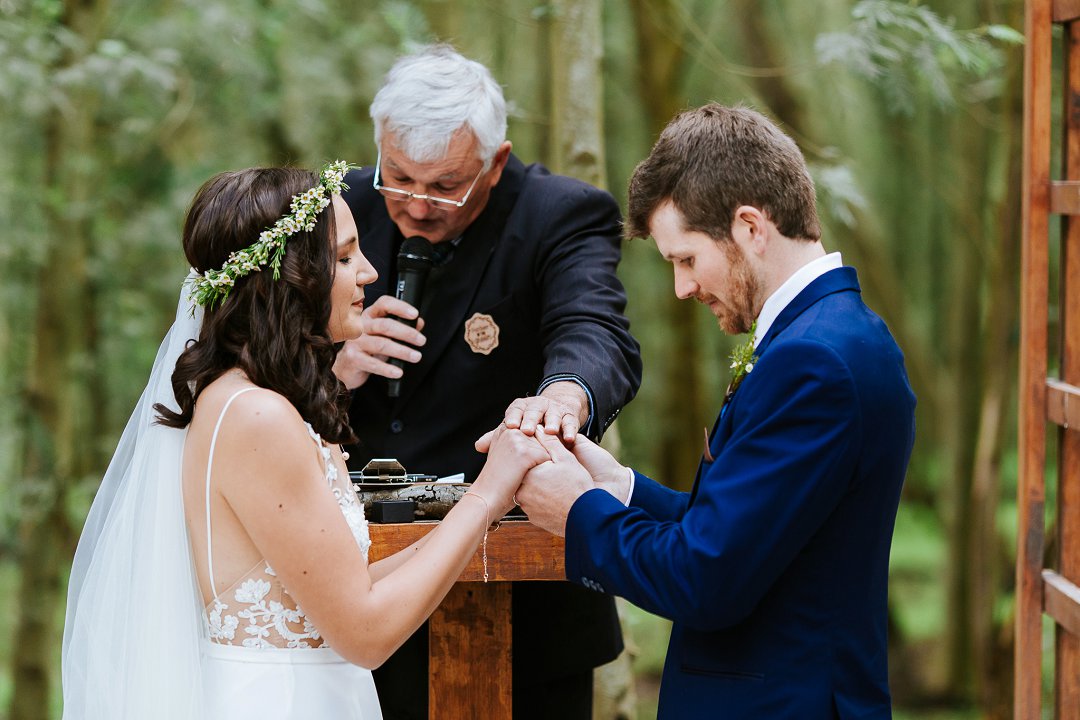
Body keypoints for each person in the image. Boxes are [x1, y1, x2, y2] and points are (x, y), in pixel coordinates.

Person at [61, 163, 549, 719]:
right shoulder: (257, 417)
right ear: (290, 278)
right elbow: (366, 633)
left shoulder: (254, 400)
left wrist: (488, 505)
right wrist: (489, 490)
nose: (368, 272)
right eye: (343, 258)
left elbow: (352, 584)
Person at [513, 104, 917, 718]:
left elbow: (705, 580)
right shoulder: (836, 336)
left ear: (751, 227)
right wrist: (614, 485)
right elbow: (739, 535)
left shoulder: (814, 362)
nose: (682, 288)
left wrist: (577, 512)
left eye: (686, 259)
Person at [333, 45, 642, 718]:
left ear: (496, 162)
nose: (414, 207)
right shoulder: (338, 206)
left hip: (529, 613)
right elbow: (263, 358)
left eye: (445, 186)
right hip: (358, 593)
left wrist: (562, 398)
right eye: (399, 178)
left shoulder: (560, 214)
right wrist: (332, 368)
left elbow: (596, 332)